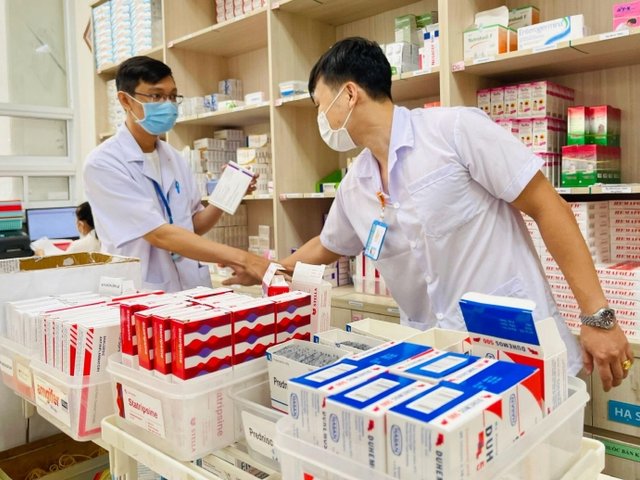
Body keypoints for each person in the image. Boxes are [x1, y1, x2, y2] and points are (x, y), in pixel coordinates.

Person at [228, 37, 631, 391]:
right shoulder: (355, 185)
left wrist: (597, 316)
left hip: (515, 345)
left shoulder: (453, 131)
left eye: (321, 106)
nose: (322, 121)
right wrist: (272, 268)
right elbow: (329, 244)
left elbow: (548, 207)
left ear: (349, 94)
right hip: (435, 362)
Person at [84, 56, 268, 292]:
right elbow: (159, 234)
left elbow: (192, 226)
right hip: (142, 290)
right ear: (125, 100)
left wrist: (228, 192)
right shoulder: (104, 163)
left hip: (190, 285)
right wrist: (244, 259)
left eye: (172, 96)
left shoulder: (175, 157)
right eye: (156, 96)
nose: (168, 105)